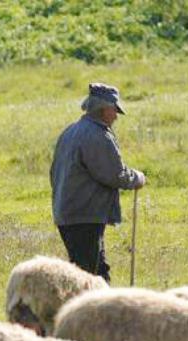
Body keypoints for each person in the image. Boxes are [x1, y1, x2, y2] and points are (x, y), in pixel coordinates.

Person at [49, 83, 145, 283]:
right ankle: (94, 312)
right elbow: (114, 174)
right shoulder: (97, 136)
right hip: (84, 215)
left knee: (86, 271)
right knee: (92, 278)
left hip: (68, 213)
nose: (116, 116)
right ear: (103, 109)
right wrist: (137, 178)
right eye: (114, 110)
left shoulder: (71, 131)